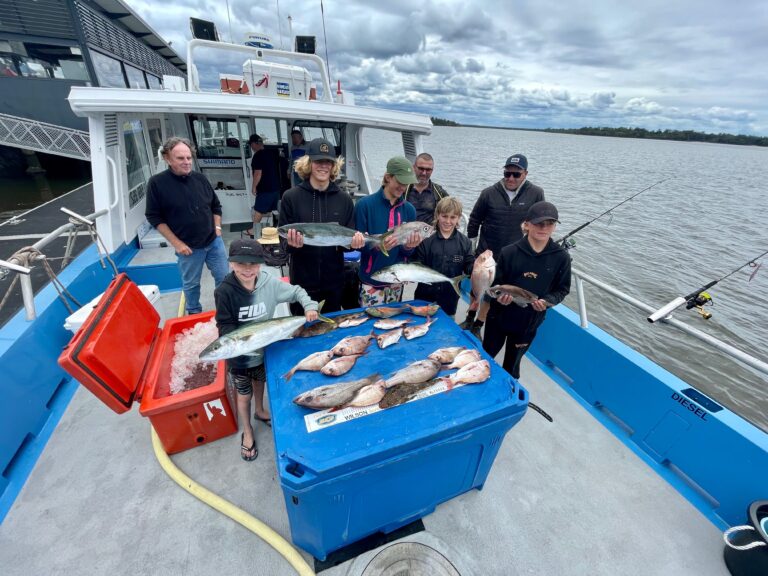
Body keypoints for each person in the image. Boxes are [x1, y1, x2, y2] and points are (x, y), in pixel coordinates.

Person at [214, 239, 318, 461]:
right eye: (241, 263)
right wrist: (238, 343)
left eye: (253, 263)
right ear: (231, 263)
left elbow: (297, 291)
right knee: (244, 395)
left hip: (265, 353)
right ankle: (248, 431)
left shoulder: (270, 284)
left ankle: (260, 411)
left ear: (261, 263)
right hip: (240, 358)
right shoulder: (224, 291)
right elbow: (224, 325)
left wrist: (309, 306)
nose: (248, 268)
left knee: (260, 383)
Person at [482, 201, 571, 380]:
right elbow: (496, 285)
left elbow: (562, 289)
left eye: (550, 224)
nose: (544, 228)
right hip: (498, 318)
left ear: (554, 227)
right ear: (527, 224)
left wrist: (547, 302)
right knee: (485, 358)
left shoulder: (561, 257)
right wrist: (499, 299)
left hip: (528, 323)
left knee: (512, 366)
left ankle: (508, 394)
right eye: (539, 223)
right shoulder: (509, 252)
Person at [279, 138, 365, 313]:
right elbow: (283, 245)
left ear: (334, 166)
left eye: (328, 162)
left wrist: (353, 244)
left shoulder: (345, 200)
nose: (323, 166)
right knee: (301, 333)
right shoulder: (290, 197)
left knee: (330, 331)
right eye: (318, 161)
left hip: (333, 283)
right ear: (309, 163)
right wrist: (291, 245)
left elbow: (346, 246)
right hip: (301, 284)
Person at [462, 153, 545, 332]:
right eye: (507, 173)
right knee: (476, 289)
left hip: (512, 256)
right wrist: (472, 249)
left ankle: (478, 325)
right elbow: (474, 220)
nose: (511, 178)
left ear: (526, 174)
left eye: (516, 174)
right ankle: (469, 317)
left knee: (494, 293)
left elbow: (540, 222)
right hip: (486, 253)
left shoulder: (536, 193)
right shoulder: (488, 193)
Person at [145, 136, 228, 315]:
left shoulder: (200, 178)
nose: (186, 162)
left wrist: (218, 229)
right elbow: (154, 217)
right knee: (191, 285)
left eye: (189, 158)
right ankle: (194, 313)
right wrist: (178, 244)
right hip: (188, 248)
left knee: (224, 279)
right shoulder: (157, 183)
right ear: (167, 159)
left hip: (214, 242)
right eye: (180, 158)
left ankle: (225, 310)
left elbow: (216, 206)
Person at [355, 156, 423, 306]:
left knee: (393, 325)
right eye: (400, 182)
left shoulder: (409, 210)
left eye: (406, 183)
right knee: (370, 324)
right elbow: (358, 246)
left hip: (396, 282)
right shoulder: (364, 206)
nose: (403, 187)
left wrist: (409, 247)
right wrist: (378, 246)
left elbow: (405, 254)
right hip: (370, 281)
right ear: (388, 177)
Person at [412, 197, 474, 317]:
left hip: (449, 301)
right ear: (437, 215)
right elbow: (417, 264)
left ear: (459, 218)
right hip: (424, 298)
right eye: (444, 216)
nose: (448, 221)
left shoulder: (465, 242)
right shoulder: (425, 240)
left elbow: (469, 265)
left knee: (446, 333)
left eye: (453, 217)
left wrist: (478, 268)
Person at [245, 134, 280, 238]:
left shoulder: (257, 156)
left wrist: (254, 186)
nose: (251, 147)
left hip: (265, 189)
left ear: (255, 144)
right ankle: (278, 227)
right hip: (275, 187)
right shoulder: (271, 153)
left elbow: (258, 173)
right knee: (276, 209)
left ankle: (253, 230)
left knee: (259, 210)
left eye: (251, 145)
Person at [403, 153, 448, 225]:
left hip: (430, 233)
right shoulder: (403, 189)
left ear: (432, 170)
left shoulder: (439, 192)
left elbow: (453, 210)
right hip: (406, 233)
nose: (424, 173)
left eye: (428, 170)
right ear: (414, 167)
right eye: (421, 168)